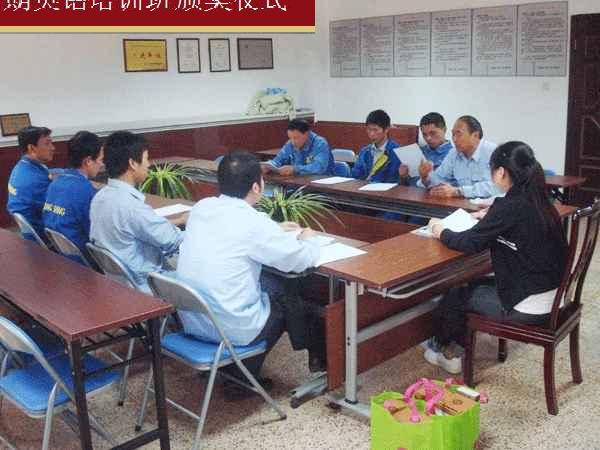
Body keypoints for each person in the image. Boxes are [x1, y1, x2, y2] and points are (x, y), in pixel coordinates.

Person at [177, 150, 325, 392]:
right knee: (288, 292)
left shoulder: (202, 208)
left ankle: (309, 353)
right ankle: (243, 377)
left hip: (193, 321)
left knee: (269, 282)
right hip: (229, 329)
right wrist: (309, 240)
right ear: (257, 187)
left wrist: (274, 228)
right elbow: (298, 261)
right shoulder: (253, 223)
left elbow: (234, 228)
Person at [423, 141, 568, 374]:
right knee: (474, 284)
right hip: (553, 296)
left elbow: (469, 242)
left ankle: (447, 352)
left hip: (527, 306)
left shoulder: (509, 206)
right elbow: (514, 221)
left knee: (457, 293)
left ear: (501, 172)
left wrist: (440, 230)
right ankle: (449, 345)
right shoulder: (540, 199)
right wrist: (491, 216)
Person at [90, 131, 185, 292]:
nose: (148, 164)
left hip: (119, 282)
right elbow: (173, 241)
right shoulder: (132, 207)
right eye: (146, 159)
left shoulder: (99, 197)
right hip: (147, 285)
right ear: (133, 163)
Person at [43, 131, 104, 261]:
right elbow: (98, 237)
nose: (102, 164)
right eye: (100, 159)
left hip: (59, 252)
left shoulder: (55, 183)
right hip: (81, 258)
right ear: (88, 161)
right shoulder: (86, 191)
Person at [418, 115, 500, 198]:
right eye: (453, 134)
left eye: (459, 134)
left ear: (475, 135)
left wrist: (458, 191)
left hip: (489, 204)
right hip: (464, 203)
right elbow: (439, 178)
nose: (454, 139)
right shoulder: (454, 153)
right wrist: (425, 177)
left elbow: (497, 186)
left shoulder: (493, 152)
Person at [7, 126, 57, 240]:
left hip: (29, 230)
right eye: (47, 143)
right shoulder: (35, 181)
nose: (53, 147)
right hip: (44, 236)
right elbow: (57, 209)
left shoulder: (22, 167)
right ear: (31, 148)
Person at [351, 109, 410, 184]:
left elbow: (402, 184)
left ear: (386, 129)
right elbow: (355, 176)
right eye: (369, 129)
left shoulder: (398, 153)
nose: (371, 134)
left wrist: (403, 177)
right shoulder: (365, 151)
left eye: (375, 130)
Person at [261, 119, 334, 176]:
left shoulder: (320, 143)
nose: (292, 142)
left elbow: (319, 167)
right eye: (290, 138)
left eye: (296, 138)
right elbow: (278, 160)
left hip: (321, 183)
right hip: (299, 182)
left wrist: (295, 169)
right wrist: (268, 166)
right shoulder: (290, 143)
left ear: (306, 134)